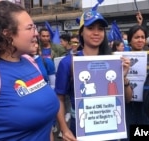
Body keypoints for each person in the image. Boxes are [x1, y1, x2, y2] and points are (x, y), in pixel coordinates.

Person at [0, 1, 59, 140]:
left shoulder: (31, 62)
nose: (36, 34)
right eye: (30, 28)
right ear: (7, 34)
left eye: (35, 27)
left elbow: (45, 123)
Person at [55, 10, 132, 141]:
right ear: (81, 32)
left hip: (109, 128)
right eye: (90, 28)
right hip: (81, 128)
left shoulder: (114, 61)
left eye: (100, 29)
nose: (96, 33)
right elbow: (59, 99)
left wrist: (123, 77)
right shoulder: (68, 62)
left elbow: (128, 99)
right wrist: (64, 129)